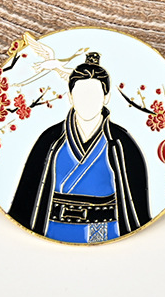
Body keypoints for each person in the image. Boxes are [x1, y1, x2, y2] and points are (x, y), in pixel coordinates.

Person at [8, 53, 151, 243]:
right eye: (81, 94)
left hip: (104, 229)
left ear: (106, 97)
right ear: (70, 96)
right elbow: (28, 197)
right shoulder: (51, 140)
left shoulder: (120, 142)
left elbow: (135, 205)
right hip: (52, 228)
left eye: (94, 94)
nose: (87, 100)